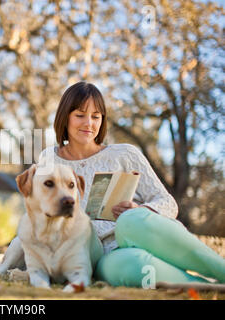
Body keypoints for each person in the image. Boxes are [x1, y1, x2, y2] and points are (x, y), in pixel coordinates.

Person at [38, 81, 225, 287]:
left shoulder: (125, 154)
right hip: (95, 256)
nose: (89, 123)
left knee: (131, 219)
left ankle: (221, 272)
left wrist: (140, 209)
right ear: (65, 117)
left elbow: (168, 203)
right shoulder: (49, 159)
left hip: (131, 235)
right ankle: (207, 286)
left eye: (95, 116)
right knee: (134, 268)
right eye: (80, 115)